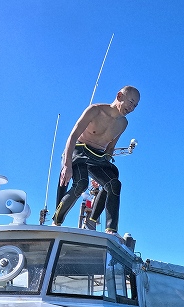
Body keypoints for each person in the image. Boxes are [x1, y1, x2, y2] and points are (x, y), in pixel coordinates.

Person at [52, 85, 140, 236]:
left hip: (98, 157)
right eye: (130, 102)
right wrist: (67, 164)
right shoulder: (95, 110)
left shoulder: (123, 124)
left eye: (135, 105)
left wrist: (101, 174)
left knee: (114, 184)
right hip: (78, 150)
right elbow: (72, 137)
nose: (132, 108)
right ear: (119, 96)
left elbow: (110, 149)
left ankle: (108, 229)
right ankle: (56, 221)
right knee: (81, 183)